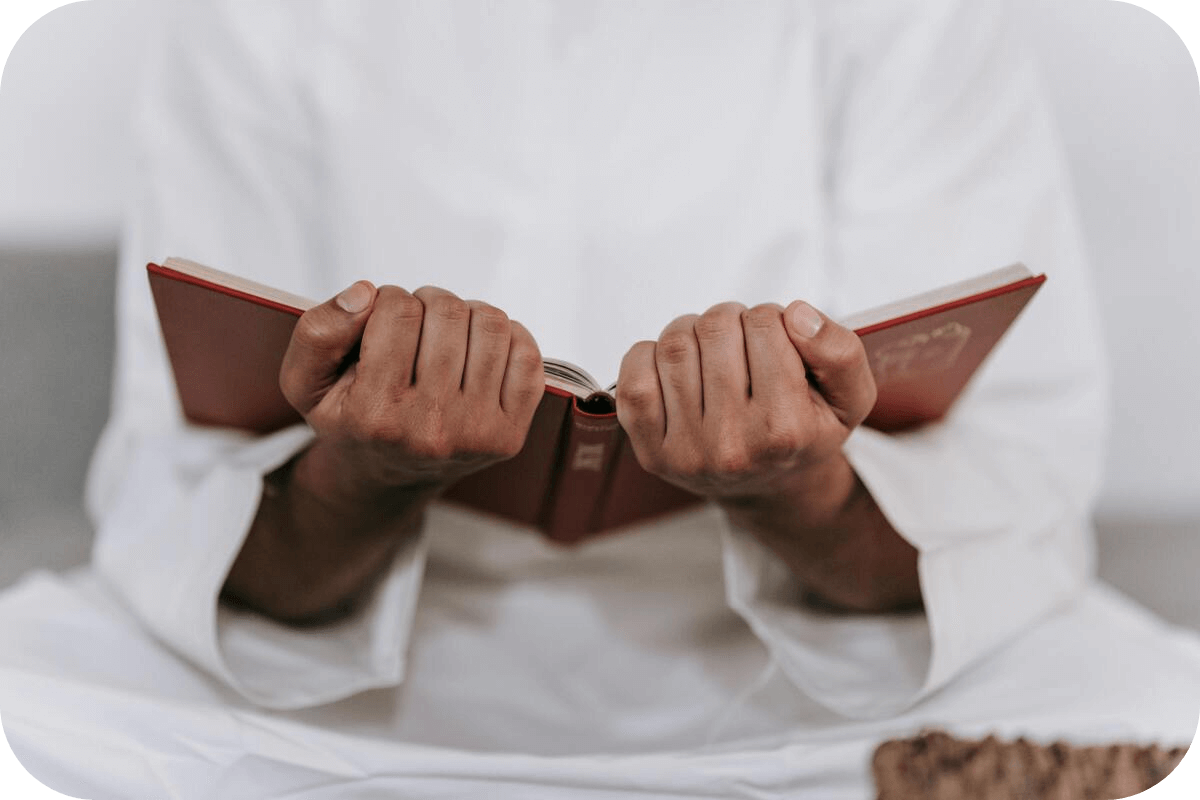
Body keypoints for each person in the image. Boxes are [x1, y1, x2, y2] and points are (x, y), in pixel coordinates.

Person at [2, 0, 1197, 796]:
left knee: (1149, 716)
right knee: (36, 704)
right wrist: (365, 474)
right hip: (361, 676)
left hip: (805, 678)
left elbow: (1010, 489)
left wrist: (798, 491)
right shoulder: (251, 14)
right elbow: (182, 505)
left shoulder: (915, 14)